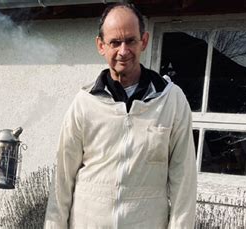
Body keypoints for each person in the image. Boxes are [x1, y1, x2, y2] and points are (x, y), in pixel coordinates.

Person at [44, 3, 197, 228]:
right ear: (101, 46)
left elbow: (184, 182)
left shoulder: (171, 100)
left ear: (143, 41)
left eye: (130, 41)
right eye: (115, 42)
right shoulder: (84, 103)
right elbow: (62, 181)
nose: (123, 51)